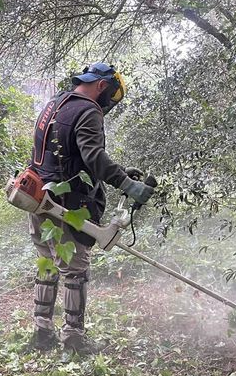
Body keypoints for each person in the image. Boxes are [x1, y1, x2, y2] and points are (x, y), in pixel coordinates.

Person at [27, 62, 155, 354]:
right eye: (110, 95)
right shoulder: (88, 110)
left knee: (47, 262)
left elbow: (70, 155)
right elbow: (92, 154)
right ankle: (73, 337)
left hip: (36, 196)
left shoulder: (55, 104)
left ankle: (41, 332)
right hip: (68, 203)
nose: (108, 102)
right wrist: (126, 183)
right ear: (101, 86)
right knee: (75, 270)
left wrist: (118, 170)